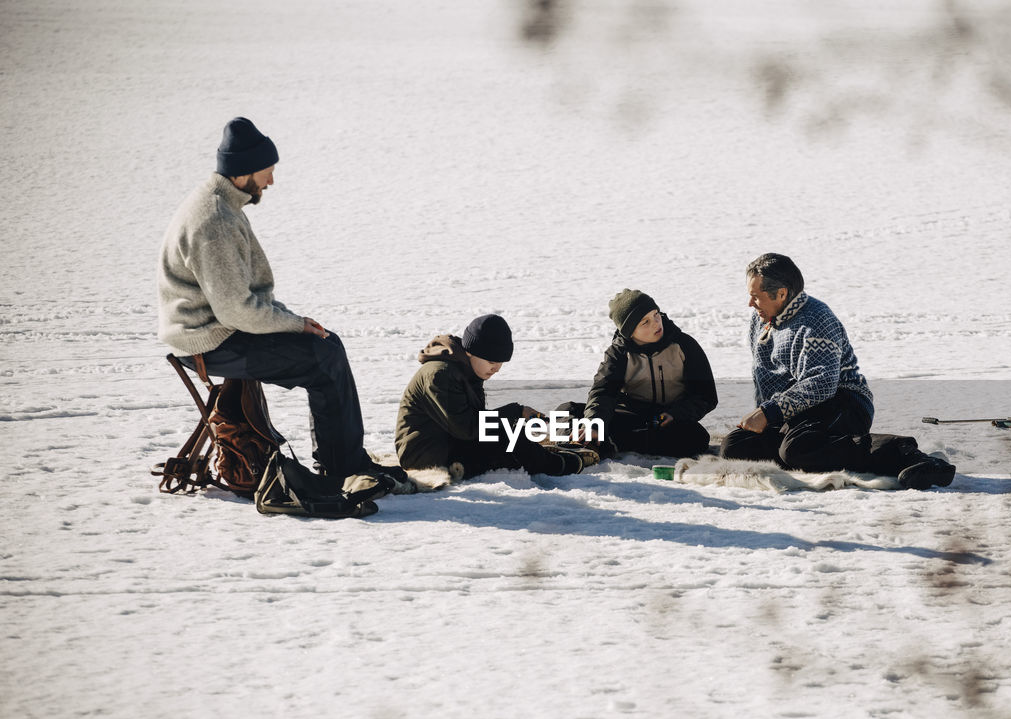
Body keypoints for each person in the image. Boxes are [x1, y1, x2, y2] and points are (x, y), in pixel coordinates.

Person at [157, 117, 400, 491]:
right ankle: (344, 467)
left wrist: (293, 320)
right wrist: (295, 324)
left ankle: (344, 458)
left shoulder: (222, 205)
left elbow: (243, 299)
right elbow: (237, 310)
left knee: (325, 345)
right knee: (325, 358)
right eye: (266, 171)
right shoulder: (216, 221)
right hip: (208, 340)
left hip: (214, 330)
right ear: (243, 172)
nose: (270, 181)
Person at [720, 253, 956, 490]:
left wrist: (770, 412)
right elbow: (764, 378)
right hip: (796, 412)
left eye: (755, 297)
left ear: (781, 293)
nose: (750, 304)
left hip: (843, 402)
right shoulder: (761, 319)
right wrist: (765, 418)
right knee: (736, 446)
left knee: (797, 449)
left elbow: (822, 383)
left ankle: (907, 455)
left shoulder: (816, 319)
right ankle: (809, 450)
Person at [395, 314, 598, 478]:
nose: (496, 369)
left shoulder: (467, 370)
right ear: (471, 351)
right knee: (509, 439)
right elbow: (468, 428)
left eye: (501, 363)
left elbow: (475, 423)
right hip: (425, 456)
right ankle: (560, 464)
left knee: (510, 434)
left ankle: (542, 454)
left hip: (448, 443)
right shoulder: (441, 375)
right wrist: (514, 412)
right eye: (492, 361)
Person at [559, 289, 718, 459]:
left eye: (656, 314)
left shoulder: (684, 345)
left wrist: (676, 414)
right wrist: (593, 424)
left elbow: (706, 396)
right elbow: (603, 392)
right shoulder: (618, 353)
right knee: (565, 411)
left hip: (668, 421)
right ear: (630, 332)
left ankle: (607, 443)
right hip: (628, 417)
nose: (656, 323)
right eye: (645, 322)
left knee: (697, 438)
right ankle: (581, 442)